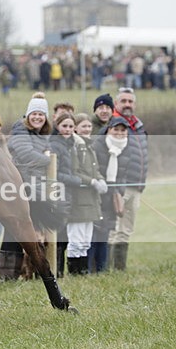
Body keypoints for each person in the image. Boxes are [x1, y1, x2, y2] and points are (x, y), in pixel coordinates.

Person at [0, 93, 52, 280]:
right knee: (15, 232)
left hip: (35, 189)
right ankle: (9, 274)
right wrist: (49, 160)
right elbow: (25, 153)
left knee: (32, 232)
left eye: (41, 114)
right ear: (28, 115)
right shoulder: (21, 130)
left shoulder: (41, 135)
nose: (37, 117)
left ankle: (31, 272)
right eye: (34, 113)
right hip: (21, 189)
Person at [103, 87, 148, 271]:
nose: (127, 104)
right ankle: (106, 268)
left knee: (126, 230)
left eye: (130, 101)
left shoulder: (138, 125)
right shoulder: (113, 125)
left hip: (136, 186)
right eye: (124, 101)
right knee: (113, 230)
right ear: (116, 104)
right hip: (119, 186)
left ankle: (119, 269)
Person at [90, 117, 132, 273]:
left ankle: (103, 269)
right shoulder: (98, 144)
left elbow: (124, 173)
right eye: (116, 129)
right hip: (96, 193)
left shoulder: (127, 147)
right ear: (109, 129)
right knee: (94, 232)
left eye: (123, 130)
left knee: (106, 232)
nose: (119, 133)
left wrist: (119, 191)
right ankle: (90, 269)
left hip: (112, 194)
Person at [68, 113, 106, 274]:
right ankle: (74, 272)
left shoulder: (89, 146)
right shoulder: (74, 146)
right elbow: (74, 171)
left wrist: (100, 179)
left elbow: (95, 169)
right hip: (78, 200)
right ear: (76, 128)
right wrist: (91, 181)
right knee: (76, 240)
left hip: (91, 200)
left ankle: (83, 272)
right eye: (83, 126)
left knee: (85, 241)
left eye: (89, 126)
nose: (87, 129)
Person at [48, 113, 84, 277]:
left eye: (71, 126)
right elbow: (55, 173)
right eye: (65, 126)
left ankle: (61, 270)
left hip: (69, 192)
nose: (68, 129)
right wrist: (75, 180)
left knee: (64, 235)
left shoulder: (71, 144)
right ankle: (57, 271)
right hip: (59, 192)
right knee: (59, 233)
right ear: (57, 126)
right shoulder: (55, 144)